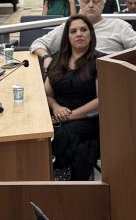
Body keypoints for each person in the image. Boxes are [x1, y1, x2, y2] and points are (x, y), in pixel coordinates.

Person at [44, 14, 101, 181]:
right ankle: (74, 184)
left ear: (91, 34)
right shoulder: (58, 60)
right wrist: (56, 108)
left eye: (84, 30)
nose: (79, 34)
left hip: (89, 119)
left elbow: (102, 100)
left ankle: (56, 174)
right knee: (83, 149)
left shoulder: (99, 60)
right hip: (59, 116)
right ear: (67, 37)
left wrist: (70, 116)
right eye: (73, 31)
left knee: (65, 133)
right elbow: (47, 93)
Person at [31, 0, 136, 66]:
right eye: (86, 1)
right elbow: (37, 44)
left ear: (103, 4)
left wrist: (118, 60)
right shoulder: (70, 27)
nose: (91, 5)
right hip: (78, 79)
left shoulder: (119, 25)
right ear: (80, 4)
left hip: (109, 75)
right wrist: (46, 58)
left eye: (96, 1)